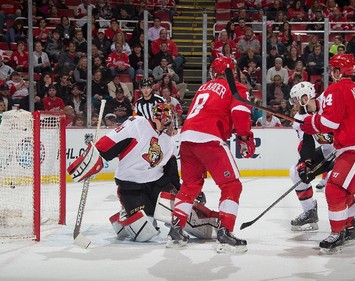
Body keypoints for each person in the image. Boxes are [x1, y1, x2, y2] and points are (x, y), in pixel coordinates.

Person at [166, 56, 255, 253]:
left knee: (190, 186)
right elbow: (240, 114)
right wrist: (245, 138)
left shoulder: (204, 87)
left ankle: (176, 230)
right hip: (210, 138)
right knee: (232, 185)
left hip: (187, 138)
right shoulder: (237, 88)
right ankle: (225, 233)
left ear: (213, 73)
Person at [67, 103, 181, 242]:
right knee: (147, 229)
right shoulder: (139, 125)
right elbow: (114, 139)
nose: (172, 124)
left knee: (177, 208)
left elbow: (172, 173)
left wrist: (182, 193)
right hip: (131, 185)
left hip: (156, 183)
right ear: (161, 118)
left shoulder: (169, 142)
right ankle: (124, 215)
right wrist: (96, 155)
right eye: (169, 119)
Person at [299, 54, 355, 253]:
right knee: (344, 190)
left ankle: (338, 232)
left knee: (333, 188)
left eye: (333, 69)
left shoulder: (336, 89)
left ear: (339, 71)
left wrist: (310, 123)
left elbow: (330, 123)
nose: (331, 73)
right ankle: (350, 228)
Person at [289, 81, 355, 238]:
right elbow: (306, 142)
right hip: (328, 153)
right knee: (296, 172)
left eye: (296, 100)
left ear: (305, 97)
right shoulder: (300, 117)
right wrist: (307, 163)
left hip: (345, 150)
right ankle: (310, 212)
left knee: (338, 185)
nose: (295, 104)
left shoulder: (328, 102)